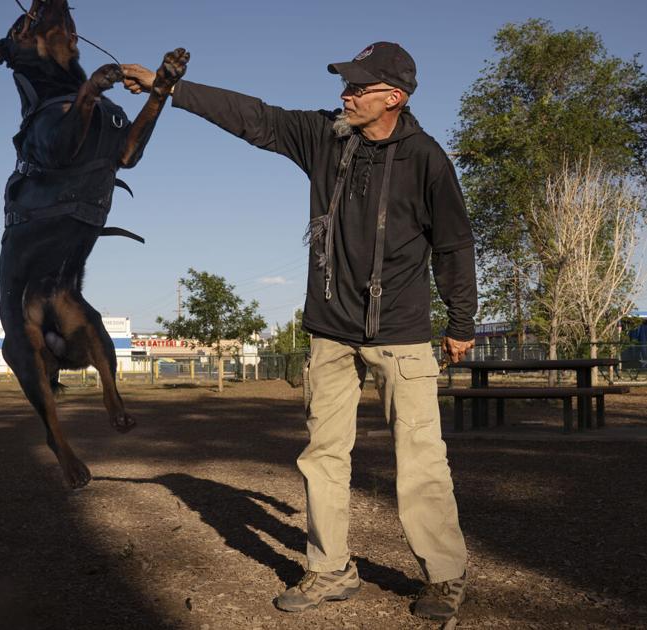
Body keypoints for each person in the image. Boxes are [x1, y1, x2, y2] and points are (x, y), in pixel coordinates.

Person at [122, 41, 476, 621]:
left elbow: (454, 247)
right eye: (346, 83)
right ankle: (330, 569)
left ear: (394, 97)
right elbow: (254, 117)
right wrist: (169, 89)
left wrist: (461, 322)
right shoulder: (323, 136)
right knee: (323, 456)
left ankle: (444, 576)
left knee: (420, 461)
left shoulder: (428, 160)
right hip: (330, 333)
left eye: (359, 87)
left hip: (402, 334)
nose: (346, 94)